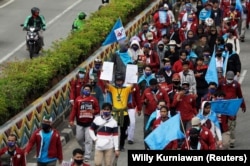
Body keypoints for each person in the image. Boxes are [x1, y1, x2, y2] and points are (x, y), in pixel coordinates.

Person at [69, 84, 100, 162]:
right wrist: (71, 120)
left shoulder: (93, 99)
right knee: (79, 138)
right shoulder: (78, 100)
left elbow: (98, 109)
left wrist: (94, 111)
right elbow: (74, 110)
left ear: (90, 91)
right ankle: (84, 148)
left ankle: (87, 155)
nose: (87, 91)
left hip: (89, 123)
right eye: (85, 89)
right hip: (80, 123)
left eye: (88, 90)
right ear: (82, 90)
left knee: (88, 140)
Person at [104, 72, 133, 151]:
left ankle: (121, 145)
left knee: (123, 131)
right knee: (113, 131)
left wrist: (134, 75)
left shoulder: (126, 89)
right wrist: (104, 73)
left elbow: (133, 84)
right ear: (115, 81)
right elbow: (105, 84)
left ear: (123, 81)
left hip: (124, 113)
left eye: (120, 81)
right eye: (117, 81)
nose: (119, 82)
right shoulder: (113, 89)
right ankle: (114, 145)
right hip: (115, 113)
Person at [218, 71, 246, 148]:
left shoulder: (236, 84)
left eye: (231, 79)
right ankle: (224, 138)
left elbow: (240, 96)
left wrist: (243, 105)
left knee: (232, 124)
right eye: (228, 78)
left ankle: (232, 140)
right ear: (225, 77)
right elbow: (216, 92)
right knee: (223, 122)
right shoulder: (221, 83)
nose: (229, 80)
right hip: (223, 106)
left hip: (232, 107)